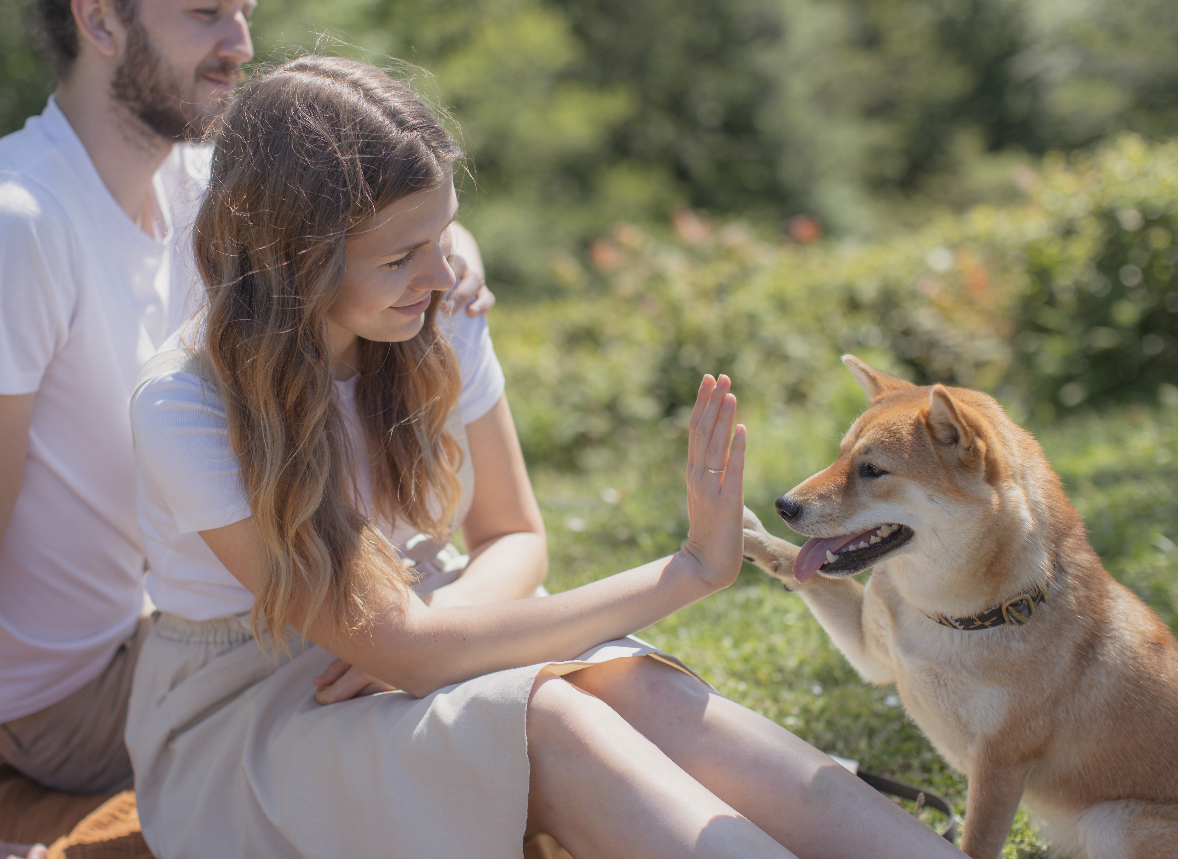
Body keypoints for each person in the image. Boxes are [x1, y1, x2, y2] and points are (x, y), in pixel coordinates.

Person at [124, 56, 966, 859]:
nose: (441, 271)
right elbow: (407, 654)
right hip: (256, 705)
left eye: (443, 234)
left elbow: (511, 533)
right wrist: (686, 572)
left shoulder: (435, 311)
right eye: (400, 256)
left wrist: (431, 630)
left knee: (631, 688)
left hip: (428, 619)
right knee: (551, 720)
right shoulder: (185, 405)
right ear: (295, 261)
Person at [0, 0, 491, 858]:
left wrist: (451, 246)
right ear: (99, 19)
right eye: (207, 13)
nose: (242, 46)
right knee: (436, 652)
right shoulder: (9, 229)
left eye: (243, 12)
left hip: (191, 606)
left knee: (449, 631)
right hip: (81, 689)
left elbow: (377, 215)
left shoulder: (197, 188)